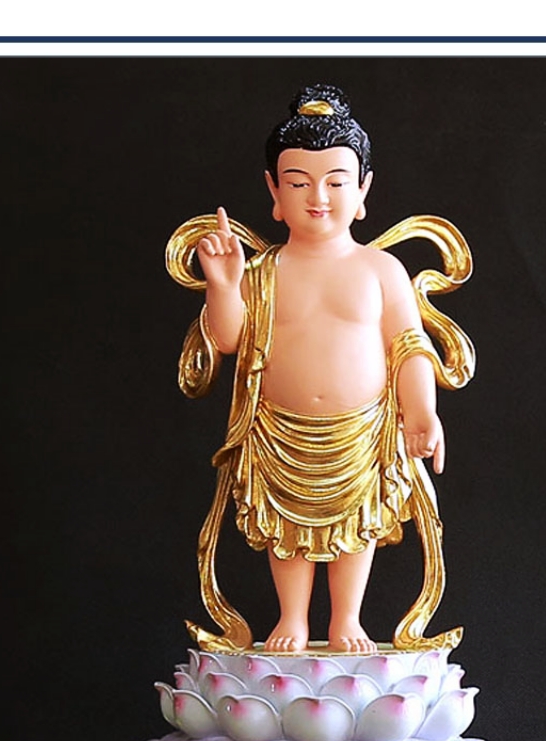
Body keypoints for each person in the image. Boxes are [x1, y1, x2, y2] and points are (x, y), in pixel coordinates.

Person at [172, 84, 472, 655]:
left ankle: (346, 620)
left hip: (362, 431)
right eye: (299, 183)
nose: (318, 198)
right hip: (277, 431)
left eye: (336, 182)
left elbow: (409, 346)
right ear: (274, 192)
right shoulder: (263, 272)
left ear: (363, 190)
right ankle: (291, 617)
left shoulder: (381, 270)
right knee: (284, 530)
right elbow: (231, 339)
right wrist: (223, 285)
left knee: (355, 526)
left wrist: (422, 412)